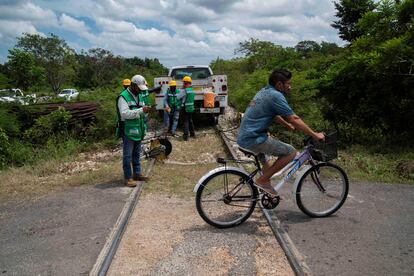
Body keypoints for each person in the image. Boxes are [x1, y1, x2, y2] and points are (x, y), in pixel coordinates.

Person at [236, 69, 325, 195]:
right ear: (279, 84)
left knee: (268, 166)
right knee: (291, 152)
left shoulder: (264, 91)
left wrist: (287, 125)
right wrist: (315, 135)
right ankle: (262, 181)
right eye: (288, 83)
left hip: (244, 136)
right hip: (254, 139)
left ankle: (266, 191)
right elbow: (294, 118)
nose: (290, 86)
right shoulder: (276, 96)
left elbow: (273, 114)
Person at [116, 74, 151, 187]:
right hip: (128, 130)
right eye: (139, 88)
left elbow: (142, 111)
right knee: (127, 155)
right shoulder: (123, 97)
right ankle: (128, 177)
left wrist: (145, 111)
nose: (140, 91)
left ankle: (137, 173)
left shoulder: (139, 95)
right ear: (133, 85)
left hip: (138, 129)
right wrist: (141, 110)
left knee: (137, 153)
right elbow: (124, 114)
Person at [178, 75, 195, 141]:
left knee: (185, 122)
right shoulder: (191, 90)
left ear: (185, 83)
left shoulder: (184, 91)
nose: (183, 84)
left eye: (184, 83)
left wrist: (181, 89)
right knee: (190, 121)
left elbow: (178, 97)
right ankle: (192, 134)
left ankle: (185, 136)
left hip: (185, 108)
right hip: (191, 108)